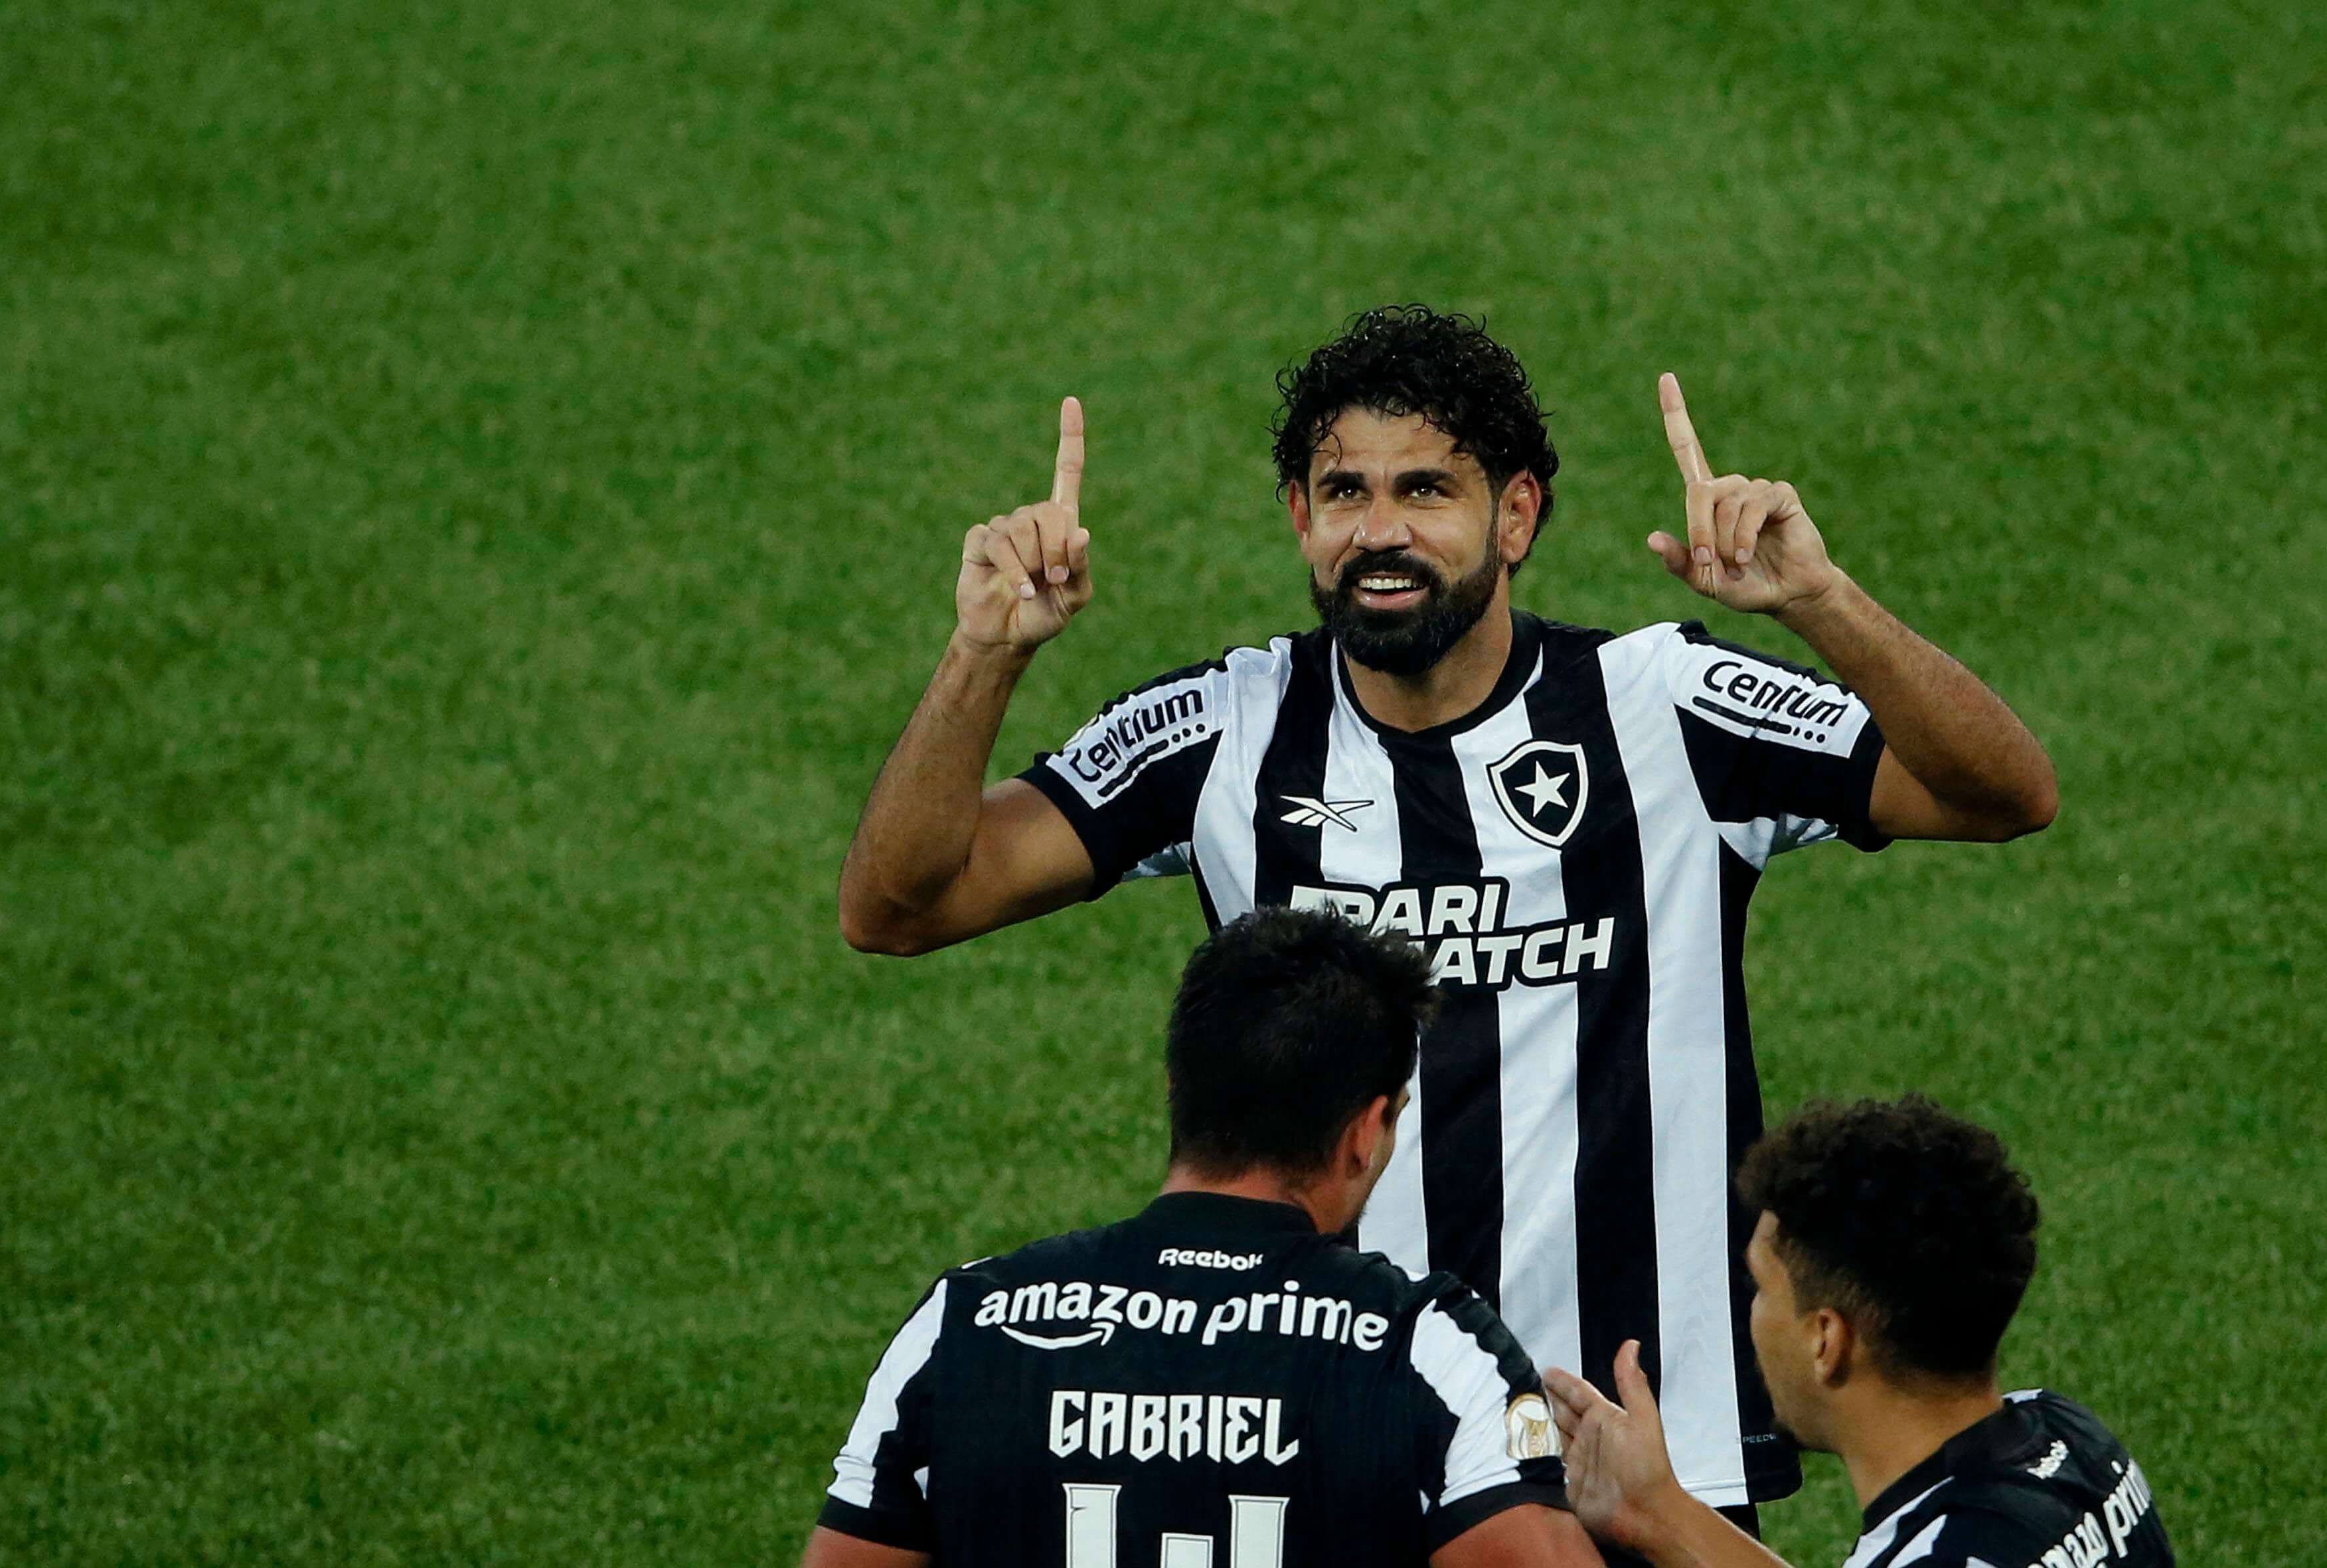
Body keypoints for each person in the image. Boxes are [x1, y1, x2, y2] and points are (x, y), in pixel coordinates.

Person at [838, 305, 2059, 1516]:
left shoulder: (1666, 707)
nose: (1380, 532)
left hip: (1630, 1457)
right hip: (1344, 1444)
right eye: (1343, 492)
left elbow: (2002, 792)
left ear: (1513, 514)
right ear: (1298, 519)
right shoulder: (1225, 731)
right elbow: (899, 905)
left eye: (1426, 490)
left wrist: (1818, 601)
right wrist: (983, 652)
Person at [802, 907, 1603, 1568]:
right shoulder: (1432, 1353)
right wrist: (1665, 1518)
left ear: (1176, 1087)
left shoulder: (965, 1324)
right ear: (1367, 1131)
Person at [1543, 1097, 2174, 1568]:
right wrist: (1656, 1510)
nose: (1751, 1315)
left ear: (1826, 1340)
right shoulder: (2071, 1439)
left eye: (1762, 1287)